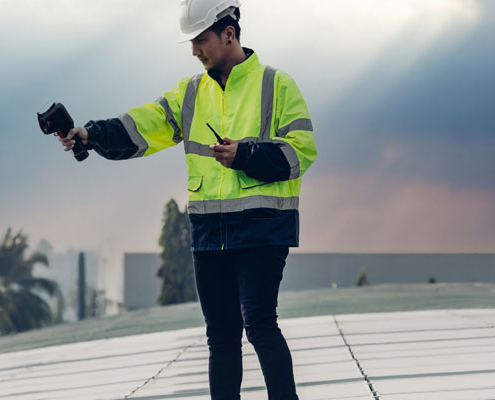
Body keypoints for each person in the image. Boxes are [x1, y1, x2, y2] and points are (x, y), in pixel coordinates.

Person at [53, 1, 315, 398]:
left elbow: (302, 153)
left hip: (263, 229)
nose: (195, 50)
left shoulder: (278, 85)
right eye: (192, 42)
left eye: (201, 40)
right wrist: (90, 134)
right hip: (209, 233)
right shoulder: (190, 92)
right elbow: (144, 125)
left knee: (260, 323)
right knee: (221, 337)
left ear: (229, 33)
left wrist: (245, 154)